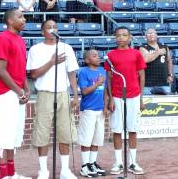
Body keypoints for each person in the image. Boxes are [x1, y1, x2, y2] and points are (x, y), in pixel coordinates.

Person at [26, 19, 79, 179]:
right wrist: (51, 62)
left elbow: (71, 73)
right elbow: (33, 74)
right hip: (44, 94)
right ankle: (43, 171)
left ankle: (64, 170)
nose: (52, 29)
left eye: (55, 27)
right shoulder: (36, 49)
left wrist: (75, 95)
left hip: (63, 93)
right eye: (48, 27)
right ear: (42, 32)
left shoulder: (66, 48)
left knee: (65, 131)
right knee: (42, 131)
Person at [0, 8, 31, 179]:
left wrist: (27, 89)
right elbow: (1, 71)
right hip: (6, 93)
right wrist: (19, 91)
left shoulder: (20, 40)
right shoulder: (3, 38)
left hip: (17, 92)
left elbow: (20, 68)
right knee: (3, 135)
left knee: (14, 135)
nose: (24, 20)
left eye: (24, 17)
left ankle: (12, 173)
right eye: (20, 16)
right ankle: (3, 176)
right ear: (9, 20)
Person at [104, 26, 146, 175]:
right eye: (118, 35)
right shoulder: (110, 55)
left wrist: (141, 99)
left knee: (132, 129)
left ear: (130, 37)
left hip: (134, 96)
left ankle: (133, 162)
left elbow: (142, 76)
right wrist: (110, 99)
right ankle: (118, 162)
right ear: (115, 38)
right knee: (117, 130)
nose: (121, 37)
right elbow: (108, 78)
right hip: (117, 96)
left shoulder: (136, 54)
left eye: (124, 35)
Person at [77, 49, 109, 178]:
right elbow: (84, 91)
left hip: (100, 109)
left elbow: (106, 90)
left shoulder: (103, 71)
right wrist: (98, 83)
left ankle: (92, 163)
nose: (98, 57)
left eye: (98, 55)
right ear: (87, 60)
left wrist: (105, 106)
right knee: (87, 139)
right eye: (94, 56)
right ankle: (84, 166)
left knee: (97, 139)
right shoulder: (83, 72)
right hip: (88, 110)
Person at [139, 28, 173, 95]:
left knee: (166, 103)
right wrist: (158, 52)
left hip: (163, 82)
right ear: (146, 37)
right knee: (148, 103)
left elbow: (169, 61)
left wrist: (170, 75)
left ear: (157, 35)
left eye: (153, 33)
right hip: (148, 83)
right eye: (149, 33)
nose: (151, 35)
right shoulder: (143, 47)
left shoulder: (164, 47)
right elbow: (145, 60)